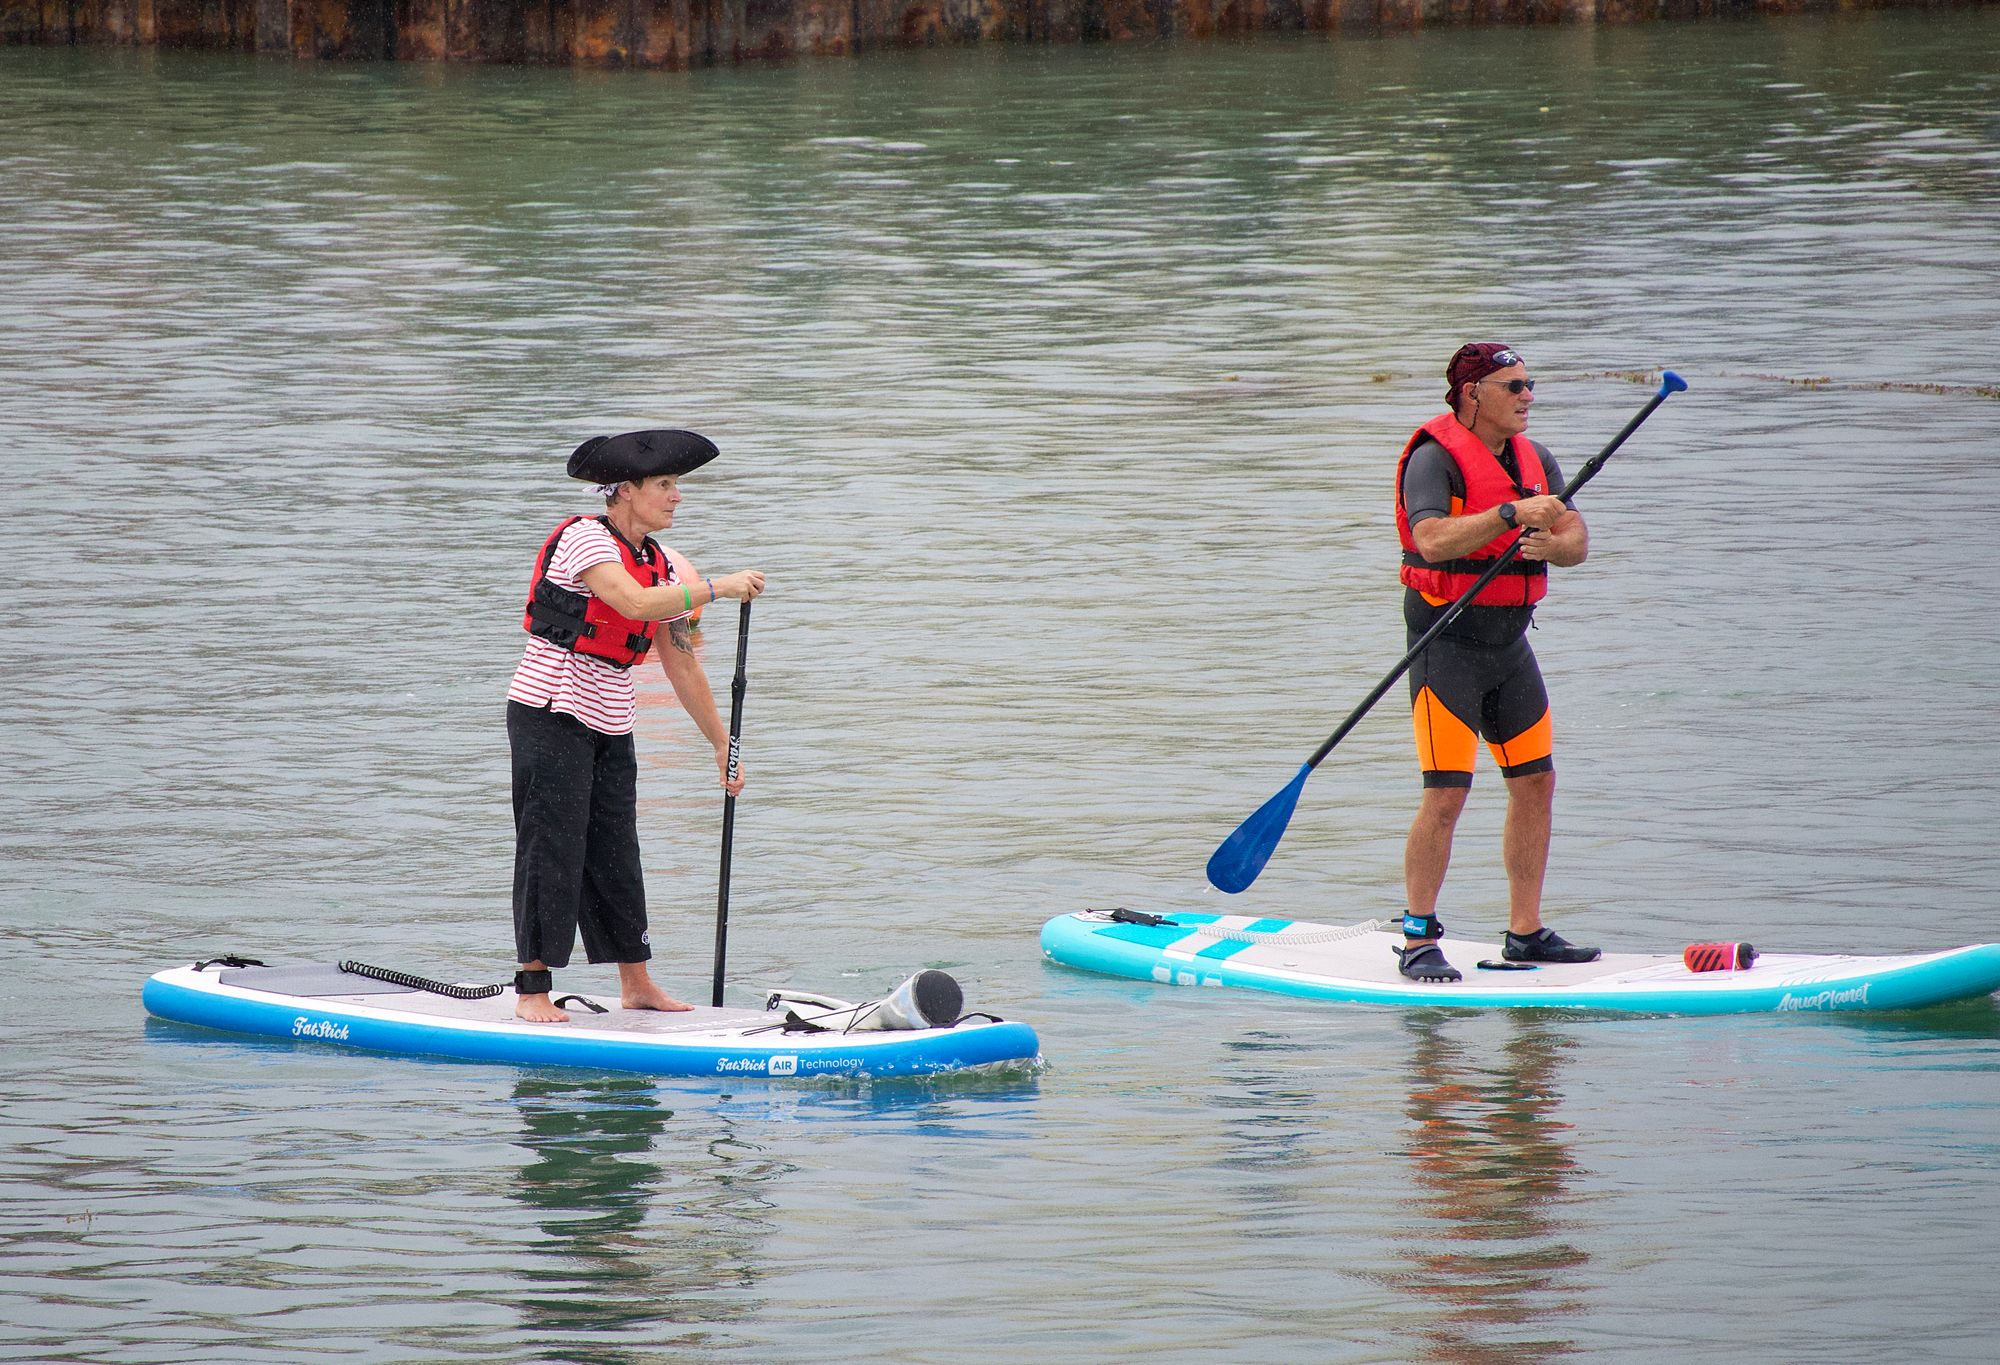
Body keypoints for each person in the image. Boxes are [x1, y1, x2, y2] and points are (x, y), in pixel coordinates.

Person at [507, 428, 765, 1023]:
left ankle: (636, 982)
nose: (677, 497)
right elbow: (633, 604)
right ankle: (532, 988)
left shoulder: (663, 563)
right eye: (665, 486)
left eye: (678, 485)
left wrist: (723, 746)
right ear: (623, 492)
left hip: (609, 718)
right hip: (550, 712)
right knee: (553, 845)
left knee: (618, 849)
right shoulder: (582, 541)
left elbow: (680, 660)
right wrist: (717, 588)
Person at [1391, 344, 1600, 983]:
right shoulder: (1433, 459)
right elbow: (1429, 539)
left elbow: (1578, 542)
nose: (1529, 395)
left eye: (1530, 384)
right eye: (1515, 386)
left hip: (1510, 647)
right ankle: (1419, 937)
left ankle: (1525, 934)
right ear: (1472, 393)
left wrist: (1552, 544)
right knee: (1447, 794)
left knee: (1536, 783)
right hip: (1445, 648)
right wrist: (1509, 515)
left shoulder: (1539, 460)